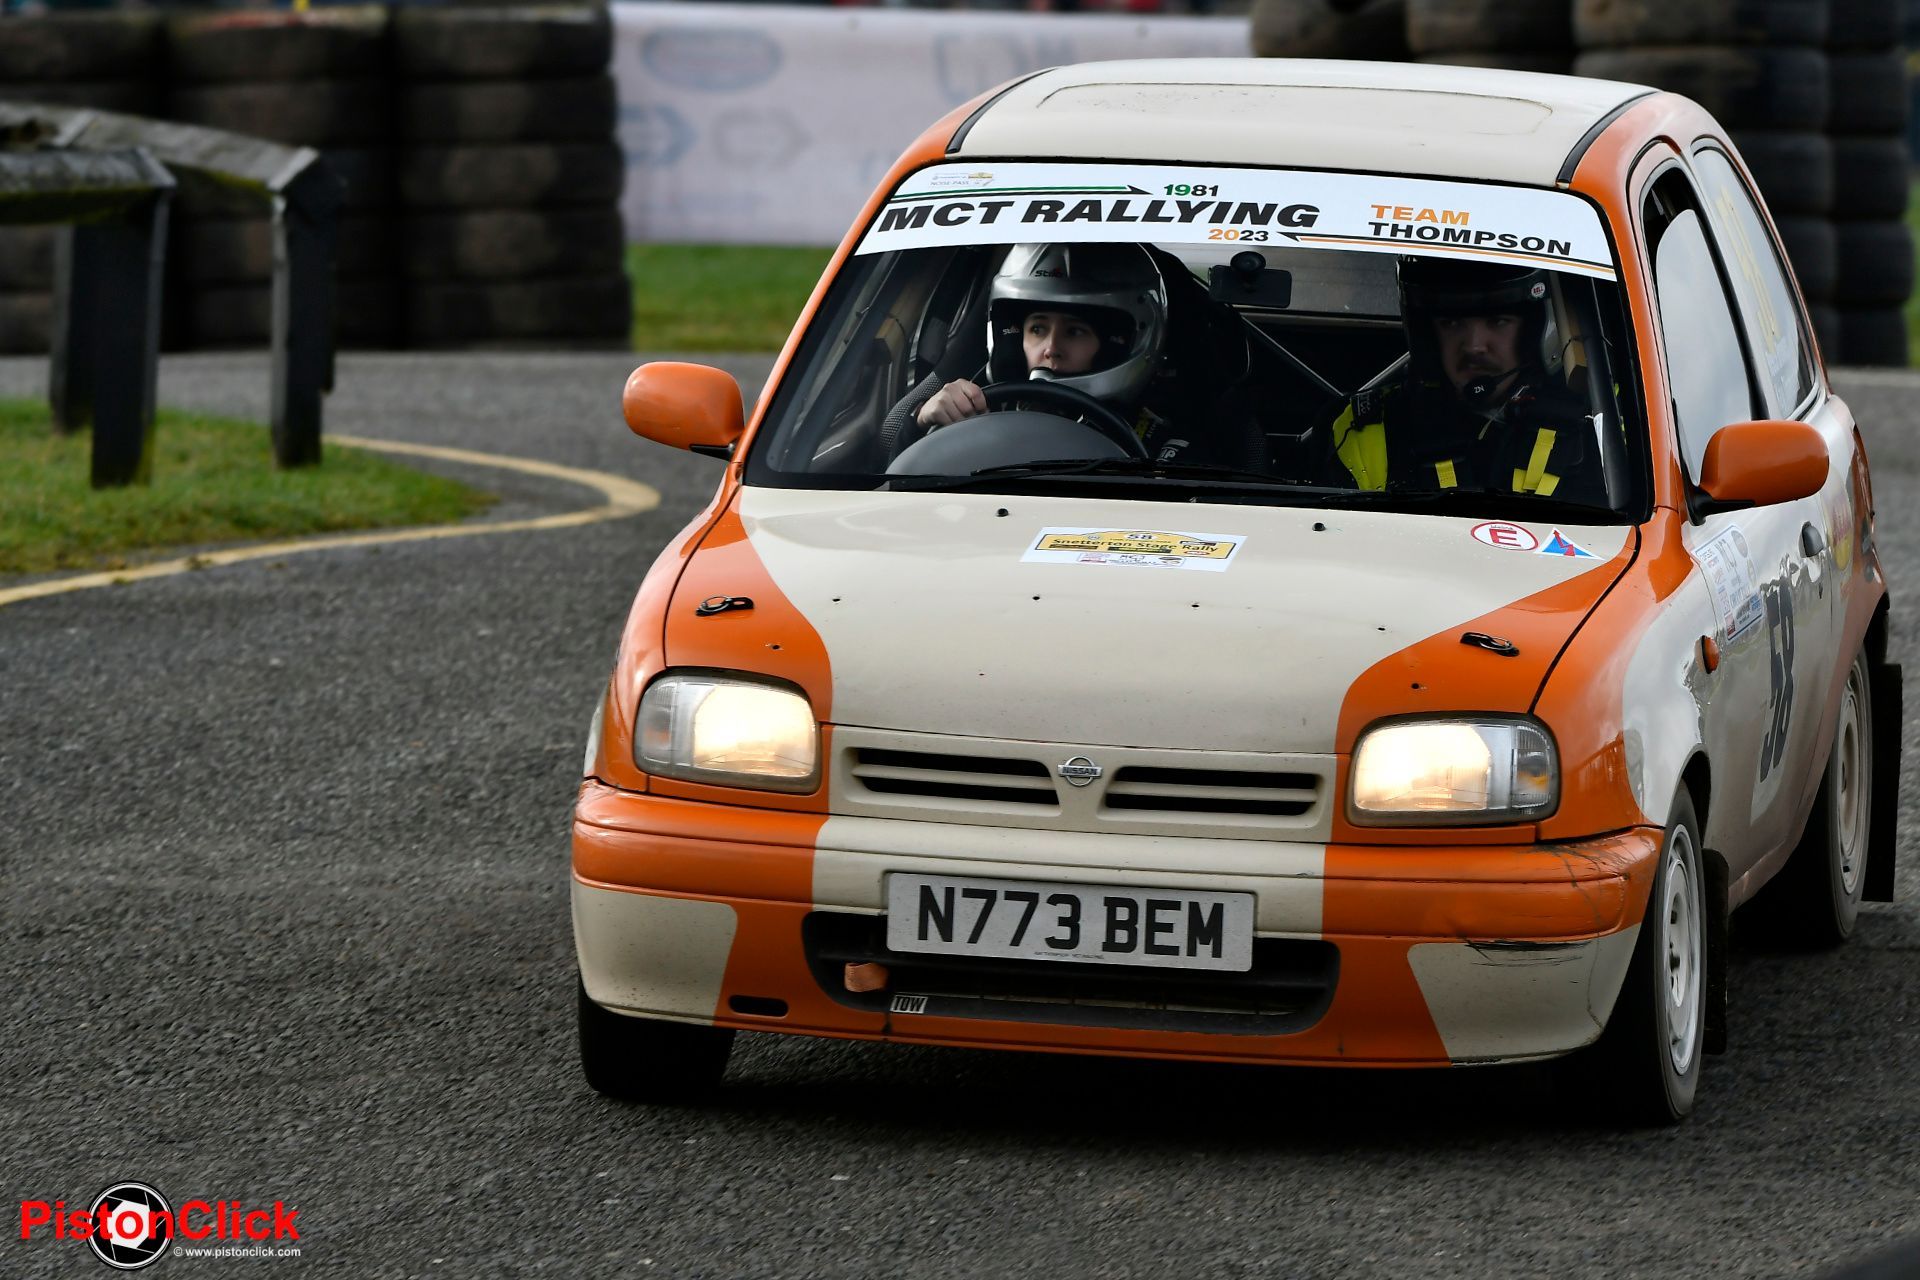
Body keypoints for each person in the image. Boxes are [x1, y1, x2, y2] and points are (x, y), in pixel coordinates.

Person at [880, 241, 1266, 471]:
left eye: (1075, 331)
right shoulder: (974, 411)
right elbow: (897, 487)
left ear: (1122, 342)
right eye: (1036, 329)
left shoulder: (1167, 441)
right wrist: (922, 424)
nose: (1050, 348)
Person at [1321, 256, 1606, 505]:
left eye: (1498, 321)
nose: (1473, 346)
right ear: (1429, 339)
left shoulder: (1609, 423)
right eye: (1452, 324)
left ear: (1539, 333)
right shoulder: (1366, 431)